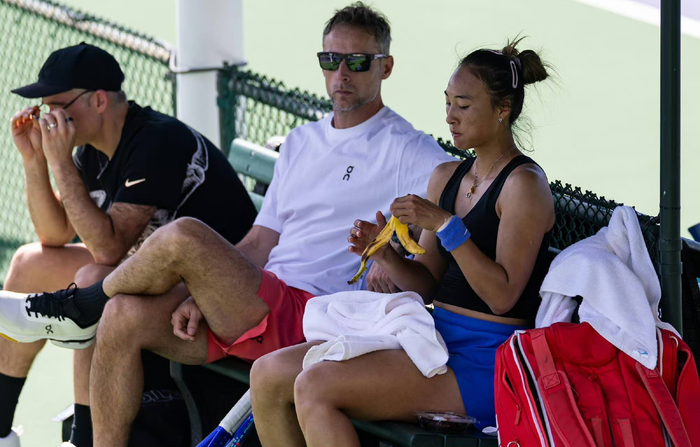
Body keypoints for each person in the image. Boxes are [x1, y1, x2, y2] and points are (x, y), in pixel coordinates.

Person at [0, 3, 453, 446]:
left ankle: (82, 306)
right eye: (330, 60)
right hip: (259, 301)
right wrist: (203, 290)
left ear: (385, 67)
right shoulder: (301, 141)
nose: (341, 74)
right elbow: (259, 241)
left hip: (317, 317)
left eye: (357, 62)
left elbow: (459, 190)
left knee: (182, 234)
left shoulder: (407, 150)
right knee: (121, 315)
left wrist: (402, 248)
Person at [249, 38, 556, 447]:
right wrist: (385, 255)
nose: (450, 116)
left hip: (483, 365)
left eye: (464, 106)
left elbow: (502, 297)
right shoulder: (447, 176)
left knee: (316, 386)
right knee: (267, 374)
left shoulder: (524, 186)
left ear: (503, 109)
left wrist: (446, 226)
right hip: (431, 340)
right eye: (447, 102)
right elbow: (426, 285)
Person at [0, 43, 257, 447]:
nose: (48, 119)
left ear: (98, 101)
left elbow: (107, 251)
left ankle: (84, 439)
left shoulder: (156, 141)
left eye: (57, 107)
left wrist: (60, 162)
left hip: (213, 295)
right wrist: (36, 161)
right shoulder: (91, 151)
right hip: (153, 276)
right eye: (43, 109)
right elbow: (53, 236)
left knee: (91, 278)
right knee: (29, 262)